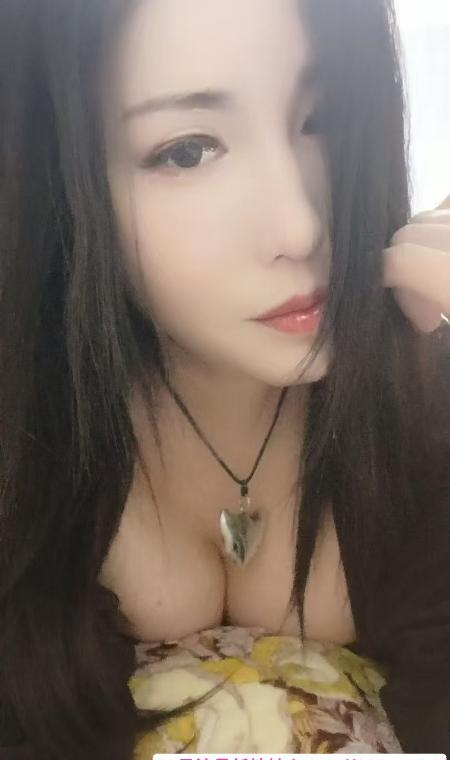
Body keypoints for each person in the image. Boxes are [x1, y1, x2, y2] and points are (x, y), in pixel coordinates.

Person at [0, 0, 449, 758]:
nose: (300, 226)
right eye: (186, 151)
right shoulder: (24, 433)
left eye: (319, 119)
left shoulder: (419, 393)